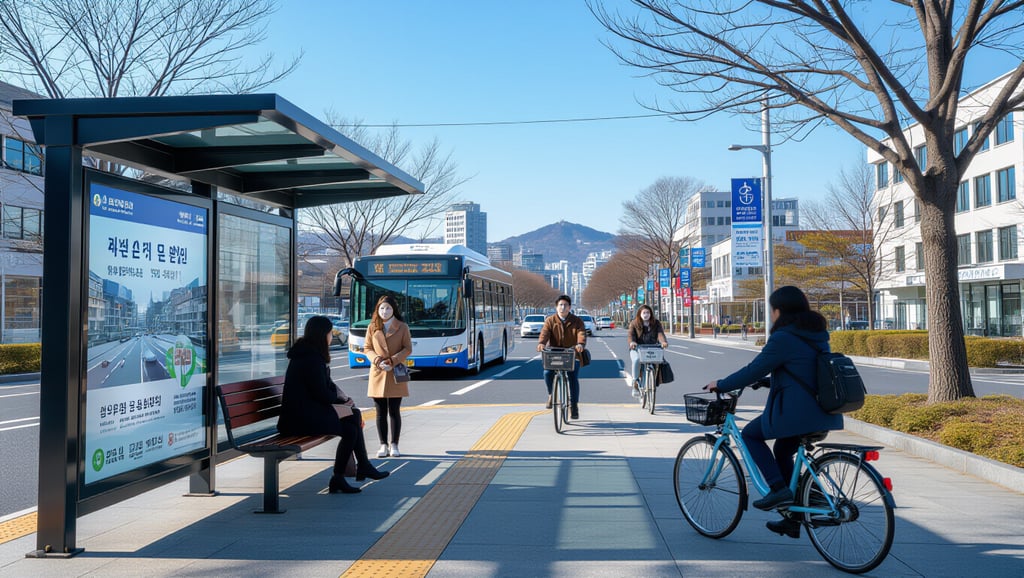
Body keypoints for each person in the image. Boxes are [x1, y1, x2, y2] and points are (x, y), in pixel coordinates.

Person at [703, 286, 842, 539]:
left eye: (772, 310)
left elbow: (752, 369)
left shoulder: (784, 337)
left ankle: (778, 489)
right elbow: (803, 369)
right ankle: (792, 517)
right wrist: (772, 381)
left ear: (779, 310)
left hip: (797, 414)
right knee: (782, 450)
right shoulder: (817, 334)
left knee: (750, 435)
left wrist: (720, 384)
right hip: (822, 412)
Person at [278, 315, 389, 494]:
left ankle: (356, 469)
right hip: (299, 420)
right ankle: (348, 473)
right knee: (351, 426)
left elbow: (325, 388)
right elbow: (322, 394)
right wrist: (339, 402)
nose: (331, 337)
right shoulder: (310, 359)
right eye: (330, 333)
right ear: (323, 335)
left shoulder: (309, 354)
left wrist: (343, 400)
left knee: (353, 415)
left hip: (306, 413)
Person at [364, 295, 412, 458]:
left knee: (394, 411)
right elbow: (367, 348)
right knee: (380, 411)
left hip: (396, 371)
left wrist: (393, 360)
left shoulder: (403, 327)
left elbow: (407, 348)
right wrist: (377, 360)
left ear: (394, 310)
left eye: (388, 308)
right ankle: (383, 444)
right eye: (382, 308)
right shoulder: (372, 327)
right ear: (377, 309)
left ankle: (394, 445)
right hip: (378, 371)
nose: (385, 311)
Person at [536, 294, 587, 419]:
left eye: (565, 305)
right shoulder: (550, 320)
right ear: (556, 307)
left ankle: (574, 405)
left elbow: (581, 332)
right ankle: (551, 394)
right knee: (547, 372)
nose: (562, 307)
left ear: (569, 307)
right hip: (554, 353)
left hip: (572, 353)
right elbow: (545, 333)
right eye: (560, 305)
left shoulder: (577, 321)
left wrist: (580, 344)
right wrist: (542, 343)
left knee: (573, 377)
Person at [626, 304, 668, 398]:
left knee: (656, 363)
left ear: (651, 314)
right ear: (639, 314)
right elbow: (630, 335)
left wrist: (663, 342)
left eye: (648, 312)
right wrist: (632, 342)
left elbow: (660, 334)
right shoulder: (634, 323)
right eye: (644, 313)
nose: (646, 315)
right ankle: (635, 382)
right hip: (637, 348)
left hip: (651, 348)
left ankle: (651, 382)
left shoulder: (656, 323)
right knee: (636, 360)